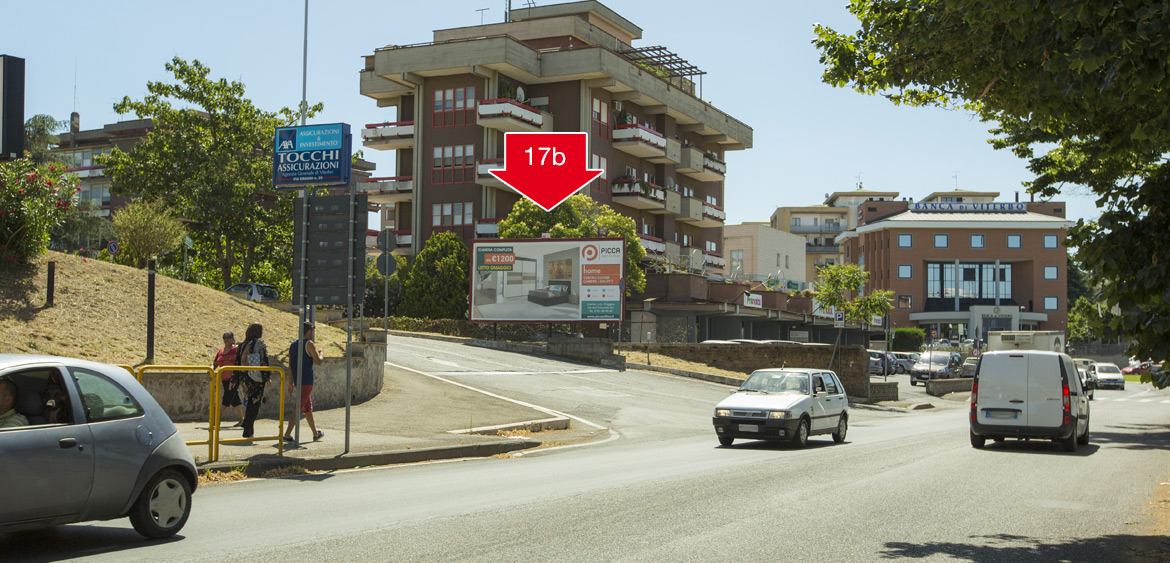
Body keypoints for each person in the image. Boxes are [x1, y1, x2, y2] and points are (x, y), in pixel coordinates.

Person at [285, 322, 324, 443]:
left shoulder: (293, 344)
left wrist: (290, 382)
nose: (312, 333)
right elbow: (318, 361)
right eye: (312, 330)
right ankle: (286, 434)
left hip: (298, 380)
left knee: (307, 408)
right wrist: (322, 353)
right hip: (306, 381)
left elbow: (290, 365)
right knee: (298, 408)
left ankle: (315, 433)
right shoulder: (309, 344)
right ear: (308, 331)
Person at [233, 323, 270, 439]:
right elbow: (264, 360)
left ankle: (249, 431)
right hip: (256, 377)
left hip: (244, 378)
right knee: (255, 404)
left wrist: (234, 379)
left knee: (249, 402)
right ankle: (247, 430)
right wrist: (267, 377)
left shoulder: (242, 345)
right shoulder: (259, 343)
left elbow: (237, 362)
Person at [214, 331, 245, 427]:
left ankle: (217, 419)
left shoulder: (236, 349)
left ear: (233, 338)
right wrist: (210, 370)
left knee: (226, 398)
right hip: (224, 378)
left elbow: (242, 360)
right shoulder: (221, 351)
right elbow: (215, 363)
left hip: (234, 378)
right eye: (224, 337)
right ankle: (242, 420)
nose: (226, 339)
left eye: (228, 337)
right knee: (235, 399)